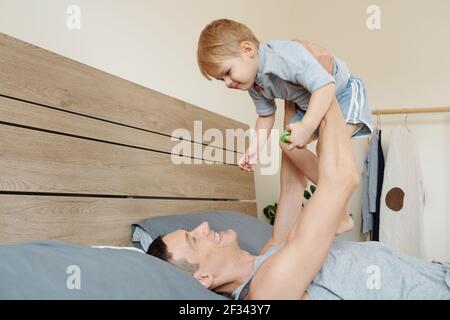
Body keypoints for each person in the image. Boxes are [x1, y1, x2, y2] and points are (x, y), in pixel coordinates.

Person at [147, 101, 450, 300]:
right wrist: (327, 91)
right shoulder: (265, 291)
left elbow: (293, 188)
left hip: (433, 273)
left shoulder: (265, 257)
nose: (202, 226)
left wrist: (289, 96)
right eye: (194, 239)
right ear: (203, 278)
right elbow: (342, 180)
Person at [196, 19, 373, 243]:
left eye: (228, 72)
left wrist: (307, 126)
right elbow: (266, 115)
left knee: (326, 145)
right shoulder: (255, 83)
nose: (228, 83)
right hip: (311, 103)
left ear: (247, 50)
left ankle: (340, 211)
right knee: (287, 143)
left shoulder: (281, 56)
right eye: (222, 79)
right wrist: (255, 148)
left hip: (343, 93)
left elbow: (325, 85)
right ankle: (337, 202)